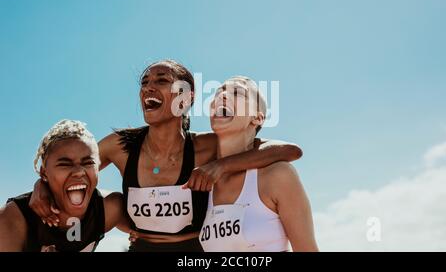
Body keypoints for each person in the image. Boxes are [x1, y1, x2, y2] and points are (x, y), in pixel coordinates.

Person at [30, 60, 302, 252]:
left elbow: (287, 150)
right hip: (141, 249)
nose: (148, 88)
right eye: (144, 82)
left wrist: (220, 166)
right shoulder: (120, 146)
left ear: (186, 98)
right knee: (111, 201)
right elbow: (74, 171)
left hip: (196, 253)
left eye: (161, 81)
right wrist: (40, 185)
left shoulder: (207, 146)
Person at [199, 76, 318, 252]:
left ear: (257, 118)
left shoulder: (278, 175)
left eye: (237, 92)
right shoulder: (201, 180)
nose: (222, 96)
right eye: (218, 92)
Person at [0, 120, 128, 252]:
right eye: (65, 164)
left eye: (88, 162)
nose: (79, 172)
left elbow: (147, 233)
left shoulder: (109, 208)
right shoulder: (12, 220)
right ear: (44, 172)